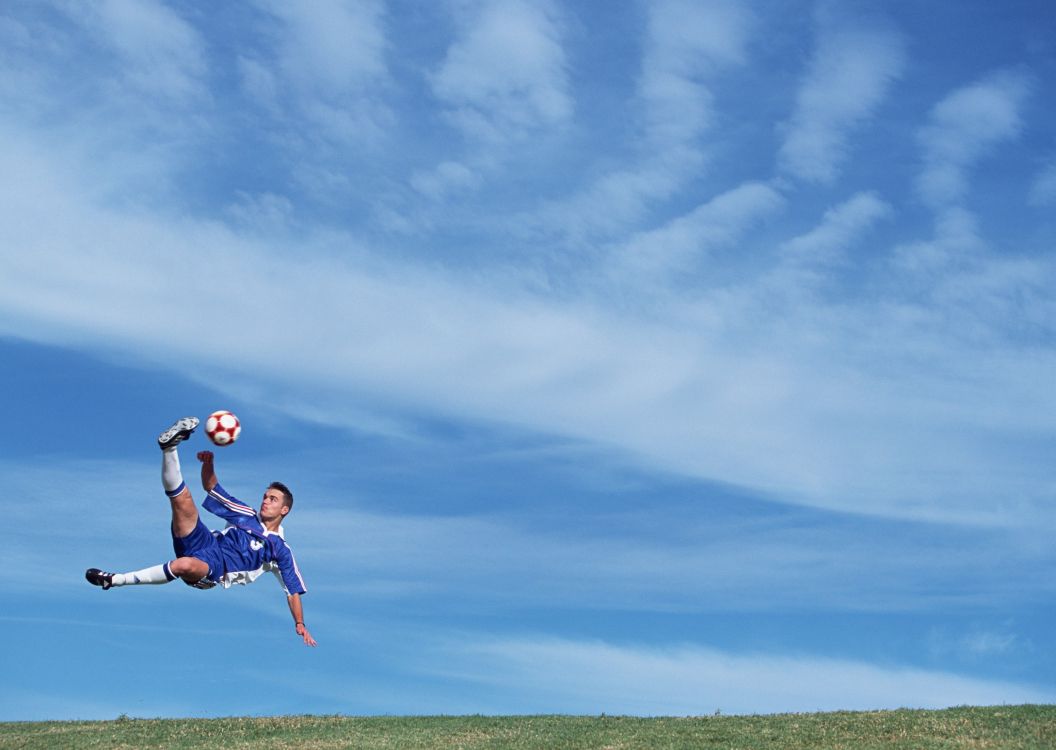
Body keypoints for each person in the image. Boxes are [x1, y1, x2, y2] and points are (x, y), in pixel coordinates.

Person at [86, 417, 317, 647]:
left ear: (284, 509)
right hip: (206, 541)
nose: (266, 501)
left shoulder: (280, 550)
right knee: (182, 500)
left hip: (217, 568)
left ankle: (115, 580)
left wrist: (300, 623)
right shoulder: (246, 514)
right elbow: (211, 487)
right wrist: (209, 463)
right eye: (265, 496)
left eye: (273, 499)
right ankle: (169, 448)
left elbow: (292, 591)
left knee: (184, 565)